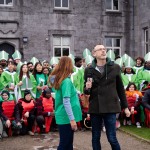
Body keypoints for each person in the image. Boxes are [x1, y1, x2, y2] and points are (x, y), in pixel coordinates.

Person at [84, 45, 130, 150]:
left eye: (104, 49)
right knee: (95, 137)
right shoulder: (89, 70)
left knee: (111, 138)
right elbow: (86, 90)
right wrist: (87, 88)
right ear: (94, 53)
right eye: (100, 49)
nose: (103, 51)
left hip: (110, 107)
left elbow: (120, 89)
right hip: (96, 107)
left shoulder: (115, 67)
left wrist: (125, 107)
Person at [50, 56, 82, 150]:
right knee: (65, 144)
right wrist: (72, 120)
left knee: (68, 145)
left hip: (63, 115)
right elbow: (66, 101)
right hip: (66, 117)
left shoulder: (61, 79)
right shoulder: (66, 81)